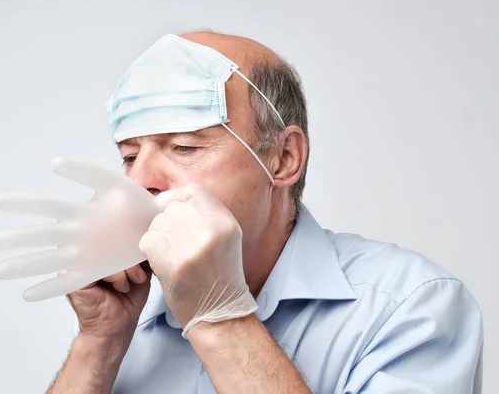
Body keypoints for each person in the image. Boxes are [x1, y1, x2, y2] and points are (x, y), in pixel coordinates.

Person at [45, 30, 483, 394]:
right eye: (128, 156)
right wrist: (98, 343)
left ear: (284, 158)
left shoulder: (412, 307)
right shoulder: (130, 320)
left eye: (184, 147)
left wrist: (224, 321)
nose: (139, 182)